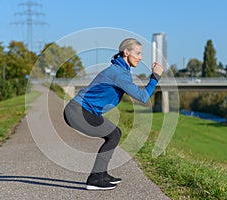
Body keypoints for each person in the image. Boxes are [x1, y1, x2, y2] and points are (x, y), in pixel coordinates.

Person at [63, 38, 164, 190]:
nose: (140, 57)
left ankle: (101, 175)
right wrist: (155, 77)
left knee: (115, 133)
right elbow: (143, 98)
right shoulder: (119, 74)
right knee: (114, 134)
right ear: (126, 52)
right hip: (78, 112)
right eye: (138, 53)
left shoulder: (120, 71)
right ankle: (95, 179)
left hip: (83, 111)